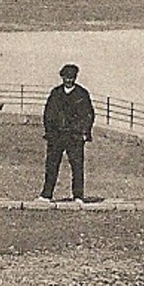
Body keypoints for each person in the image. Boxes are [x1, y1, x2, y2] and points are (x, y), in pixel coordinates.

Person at [40, 63, 96, 202]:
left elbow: (88, 115)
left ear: (75, 78)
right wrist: (49, 132)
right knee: (51, 165)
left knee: (77, 166)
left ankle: (78, 196)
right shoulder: (56, 93)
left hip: (74, 137)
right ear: (62, 77)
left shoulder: (82, 94)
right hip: (56, 136)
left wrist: (84, 133)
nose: (69, 80)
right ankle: (46, 194)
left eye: (72, 77)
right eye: (66, 77)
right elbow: (48, 113)